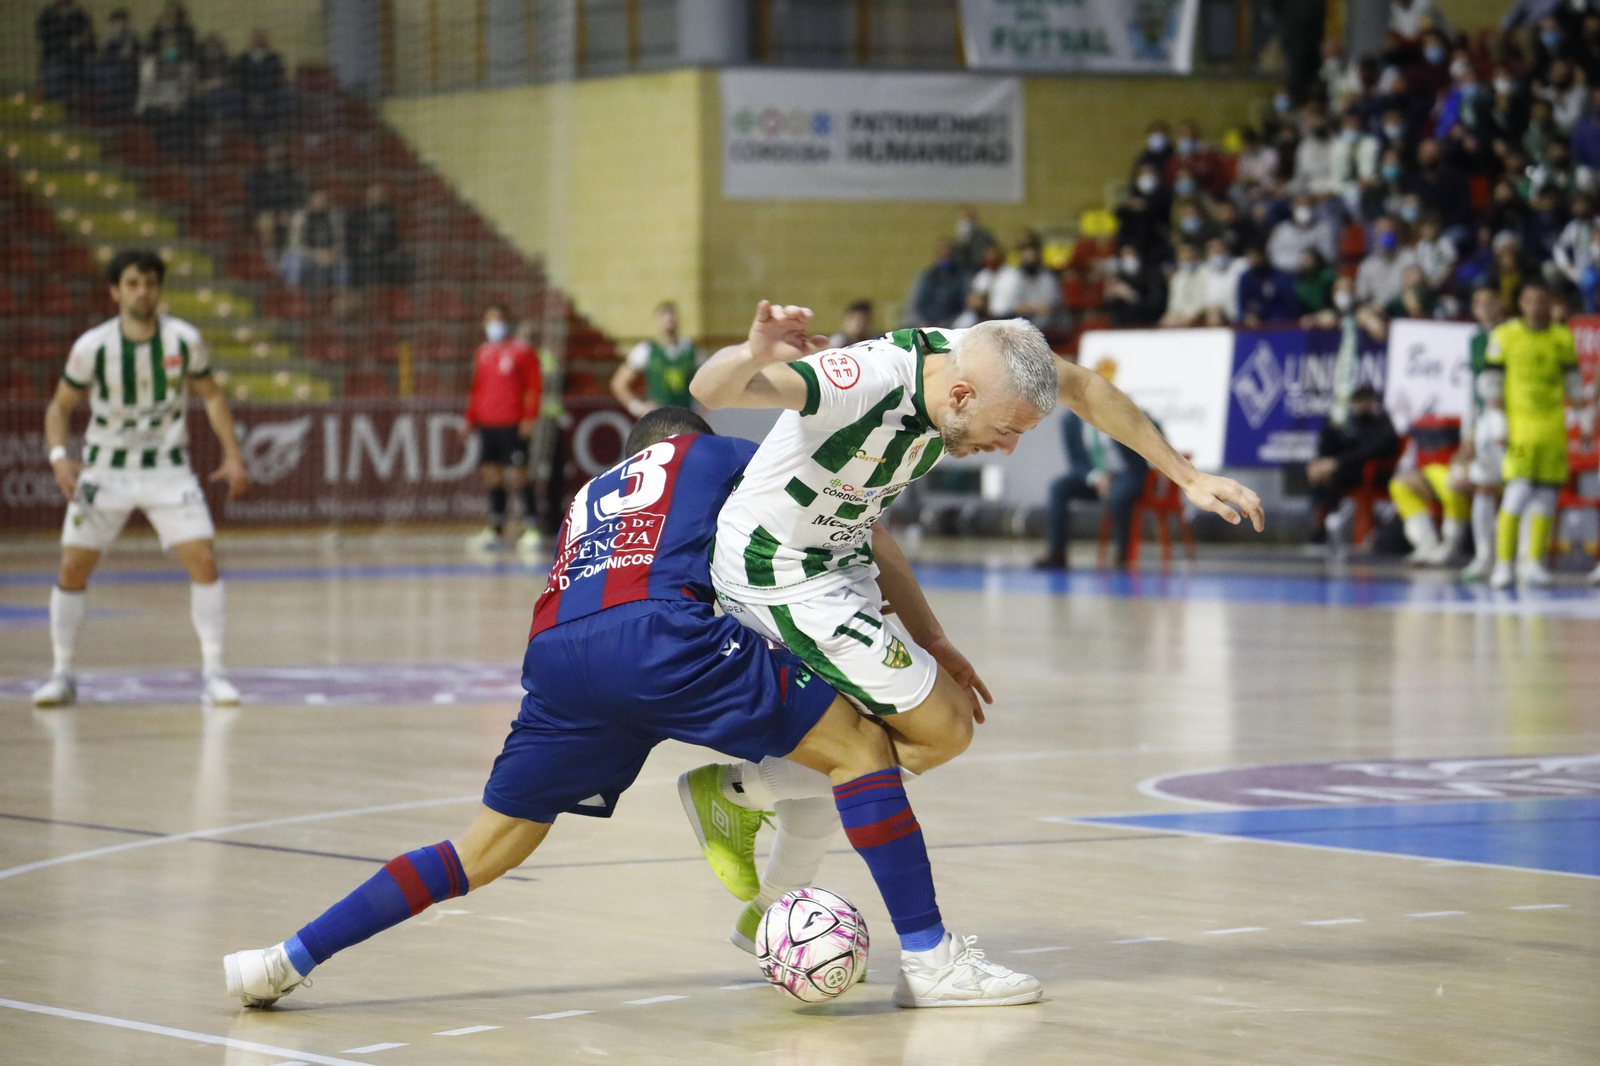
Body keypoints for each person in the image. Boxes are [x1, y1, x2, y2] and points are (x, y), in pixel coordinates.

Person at [223, 407, 1043, 1010]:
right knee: (863, 747)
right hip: (663, 636)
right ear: (689, 438)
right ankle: (930, 958)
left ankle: (283, 959)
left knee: (481, 850)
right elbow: (825, 521)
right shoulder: (718, 453)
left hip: (557, 653)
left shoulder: (587, 496)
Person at [683, 303, 1264, 948]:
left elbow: (1087, 386)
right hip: (777, 568)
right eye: (1007, 429)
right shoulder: (863, 379)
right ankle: (739, 792)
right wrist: (752, 352)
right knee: (941, 729)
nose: (1011, 446)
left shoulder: (990, 357)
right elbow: (711, 391)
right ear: (961, 394)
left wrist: (1185, 475)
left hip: (842, 558)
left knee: (856, 741)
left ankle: (766, 908)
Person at [33, 250, 248, 708]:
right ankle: (62, 673)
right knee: (72, 566)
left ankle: (214, 675)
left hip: (167, 468)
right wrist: (57, 457)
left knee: (204, 560)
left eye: (149, 283)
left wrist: (232, 454)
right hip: (104, 469)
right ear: (115, 292)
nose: (142, 291)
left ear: (160, 289)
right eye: (132, 283)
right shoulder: (92, 346)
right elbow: (59, 406)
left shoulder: (184, 340)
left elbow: (211, 396)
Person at [1485, 281, 1589, 588]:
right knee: (1515, 495)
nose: (1536, 307)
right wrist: (1496, 420)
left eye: (1542, 301)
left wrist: (1583, 419)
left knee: (1546, 498)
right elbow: (1491, 382)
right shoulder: (1504, 336)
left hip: (1552, 429)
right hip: (1519, 428)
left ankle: (1534, 563)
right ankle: (1503, 564)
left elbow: (1573, 381)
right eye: (1530, 301)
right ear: (1521, 304)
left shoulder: (1561, 337)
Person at [1033, 391, 1151, 570]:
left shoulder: (1121, 413)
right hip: (1095, 477)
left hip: (1127, 474)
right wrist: (1096, 478)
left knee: (1118, 496)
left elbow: (1149, 440)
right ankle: (1057, 553)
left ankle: (1123, 556)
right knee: (1058, 487)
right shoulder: (1070, 422)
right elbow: (1076, 462)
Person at [463, 304, 543, 554]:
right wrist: (470, 418)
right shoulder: (483, 353)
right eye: (489, 320)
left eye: (497, 319)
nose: (493, 325)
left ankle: (531, 526)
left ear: (507, 322)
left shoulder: (522, 351)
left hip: (513, 422)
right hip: (488, 423)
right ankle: (496, 527)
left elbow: (534, 386)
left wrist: (529, 418)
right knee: (492, 474)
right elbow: (478, 388)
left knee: (520, 473)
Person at [1456, 287, 1509, 582]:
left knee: (1513, 490)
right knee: (1484, 487)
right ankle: (1483, 556)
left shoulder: (1512, 333)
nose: (1484, 307)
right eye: (1478, 302)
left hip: (1514, 421)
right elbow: (1471, 391)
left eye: (1490, 301)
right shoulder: (1476, 341)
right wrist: (1468, 432)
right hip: (1486, 424)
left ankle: (1509, 558)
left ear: (1502, 303)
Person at [1306, 384, 1400, 546]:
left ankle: (1333, 528)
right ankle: (1321, 528)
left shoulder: (1381, 422)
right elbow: (1329, 440)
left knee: (1334, 474)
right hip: (1343, 469)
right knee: (1321, 476)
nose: (1360, 405)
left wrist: (1337, 463)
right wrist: (1320, 462)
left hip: (1369, 472)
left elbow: (1372, 450)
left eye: (1365, 401)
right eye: (1357, 401)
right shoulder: (1345, 421)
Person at [1388, 414, 1471, 564]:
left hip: (1473, 472)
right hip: (1435, 472)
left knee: (1450, 487)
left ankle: (1452, 544)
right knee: (1399, 485)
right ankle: (1425, 543)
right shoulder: (1417, 435)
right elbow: (1407, 462)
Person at [610, 300, 699, 417]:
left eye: (672, 315)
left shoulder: (692, 351)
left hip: (686, 419)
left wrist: (701, 412)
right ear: (657, 320)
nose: (669, 319)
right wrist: (637, 407)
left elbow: (708, 384)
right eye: (664, 315)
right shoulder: (645, 350)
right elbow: (619, 384)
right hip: (657, 420)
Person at [246, 142, 304, 272]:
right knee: (266, 221)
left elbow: (295, 195)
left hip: (285, 212)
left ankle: (288, 256)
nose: (275, 154)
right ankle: (270, 258)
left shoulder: (289, 173)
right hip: (265, 213)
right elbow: (256, 199)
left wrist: (287, 212)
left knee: (298, 220)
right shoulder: (258, 174)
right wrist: (273, 213)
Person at [278, 189, 345, 292]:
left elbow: (340, 242)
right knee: (295, 263)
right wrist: (315, 255)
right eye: (318, 200)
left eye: (323, 200)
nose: (321, 203)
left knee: (343, 263)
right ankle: (293, 297)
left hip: (327, 256)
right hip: (303, 256)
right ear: (310, 201)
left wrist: (332, 253)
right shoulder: (300, 218)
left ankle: (339, 296)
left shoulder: (333, 217)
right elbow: (294, 247)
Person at [346, 181, 410, 287]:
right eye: (373, 194)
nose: (376, 197)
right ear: (367, 195)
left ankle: (398, 295)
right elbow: (353, 238)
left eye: (378, 194)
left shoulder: (388, 213)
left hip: (385, 252)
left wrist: (399, 246)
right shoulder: (357, 214)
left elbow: (393, 235)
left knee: (404, 262)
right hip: (364, 253)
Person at [988, 237, 1063, 327]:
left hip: (1047, 324)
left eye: (1033, 254)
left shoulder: (1048, 278)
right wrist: (1033, 308)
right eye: (1026, 254)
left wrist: (1028, 308)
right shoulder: (1013, 277)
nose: (1030, 258)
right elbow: (1009, 308)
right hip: (1020, 322)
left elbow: (1048, 308)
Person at [1356, 216, 1420, 310]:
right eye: (1382, 232)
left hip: (1403, 305)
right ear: (1375, 235)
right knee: (1364, 312)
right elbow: (1362, 296)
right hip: (1379, 308)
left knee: (1411, 296)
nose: (1386, 235)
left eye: (1389, 231)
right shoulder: (1367, 265)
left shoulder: (1409, 256)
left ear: (1396, 233)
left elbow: (1416, 282)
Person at [37, 0, 94, 103]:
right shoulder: (48, 14)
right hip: (53, 55)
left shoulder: (78, 14)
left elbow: (88, 33)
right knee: (55, 73)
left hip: (75, 57)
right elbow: (42, 34)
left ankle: (71, 100)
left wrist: (79, 40)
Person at [233, 29, 287, 137]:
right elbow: (238, 79)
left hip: (270, 94)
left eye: (261, 37)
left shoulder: (274, 58)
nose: (258, 40)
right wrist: (251, 94)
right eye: (256, 37)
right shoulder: (243, 58)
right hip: (247, 95)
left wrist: (264, 93)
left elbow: (278, 78)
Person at [904, 238, 968, 328]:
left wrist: (948, 323)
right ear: (937, 255)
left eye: (948, 255)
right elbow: (916, 303)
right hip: (926, 322)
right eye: (943, 255)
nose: (946, 258)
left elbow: (965, 305)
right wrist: (923, 323)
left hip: (952, 323)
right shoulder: (925, 277)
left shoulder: (962, 278)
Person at [1268, 193, 1337, 274]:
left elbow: (1329, 255)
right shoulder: (1282, 229)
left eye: (1308, 204)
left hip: (1315, 275)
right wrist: (1299, 261)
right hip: (1287, 274)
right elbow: (1274, 255)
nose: (1304, 207)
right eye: (1300, 204)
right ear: (1293, 207)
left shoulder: (1324, 228)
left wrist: (1313, 260)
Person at [1103, 244, 1166, 327]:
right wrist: (1110, 296)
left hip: (1147, 322)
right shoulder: (1120, 276)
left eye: (1130, 254)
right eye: (1124, 255)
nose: (1127, 258)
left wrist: (1132, 296)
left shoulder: (1152, 274)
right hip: (1123, 324)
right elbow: (1111, 307)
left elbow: (1155, 304)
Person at [1236, 244, 1300, 325]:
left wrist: (1269, 320)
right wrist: (1247, 317)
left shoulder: (1281, 277)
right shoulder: (1245, 278)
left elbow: (1290, 306)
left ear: (1263, 256)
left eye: (1255, 256)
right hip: (1253, 326)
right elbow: (1241, 304)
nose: (1253, 260)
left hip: (1278, 325)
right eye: (1249, 256)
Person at [1162, 241, 1210, 327]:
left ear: (1195, 255)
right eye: (1183, 256)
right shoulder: (1176, 278)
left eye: (1189, 254)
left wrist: (1189, 317)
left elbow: (1205, 302)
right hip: (1179, 316)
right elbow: (1173, 305)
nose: (1187, 257)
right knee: (1166, 321)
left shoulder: (1205, 273)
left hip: (1199, 315)